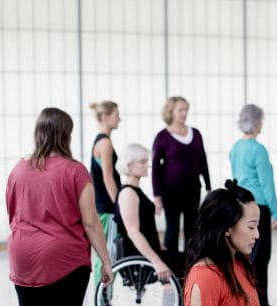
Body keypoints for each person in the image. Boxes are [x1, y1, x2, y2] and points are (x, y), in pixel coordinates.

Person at [6, 107, 113, 306]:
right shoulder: (74, 170)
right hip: (64, 258)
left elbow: (13, 212)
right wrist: (105, 262)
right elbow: (91, 222)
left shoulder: (19, 169)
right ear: (66, 133)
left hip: (23, 255)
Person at [229, 104, 277, 306]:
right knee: (261, 253)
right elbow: (267, 183)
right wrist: (276, 211)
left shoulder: (235, 148)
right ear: (257, 122)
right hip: (259, 205)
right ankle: (260, 299)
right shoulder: (258, 149)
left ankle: (242, 295)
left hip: (240, 204)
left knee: (244, 252)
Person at [113, 143, 183, 279]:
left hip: (151, 252)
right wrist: (157, 262)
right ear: (129, 166)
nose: (148, 165)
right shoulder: (128, 193)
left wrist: (159, 245)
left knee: (194, 260)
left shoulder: (135, 191)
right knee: (195, 262)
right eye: (142, 162)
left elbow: (146, 226)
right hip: (140, 258)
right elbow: (133, 232)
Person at [151, 96, 211, 252]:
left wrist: (209, 187)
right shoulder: (162, 137)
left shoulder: (196, 134)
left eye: (186, 110)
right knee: (172, 229)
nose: (184, 113)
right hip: (170, 192)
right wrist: (156, 196)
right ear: (171, 112)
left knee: (192, 228)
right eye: (180, 110)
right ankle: (170, 269)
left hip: (192, 190)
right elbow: (155, 168)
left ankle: (190, 266)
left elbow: (202, 160)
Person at [88, 101, 122, 281]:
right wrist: (119, 204)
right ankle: (104, 304)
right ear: (105, 117)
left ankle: (106, 303)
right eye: (116, 115)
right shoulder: (105, 143)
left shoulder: (100, 141)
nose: (120, 119)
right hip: (107, 207)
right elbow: (107, 177)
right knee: (106, 253)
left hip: (102, 204)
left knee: (107, 253)